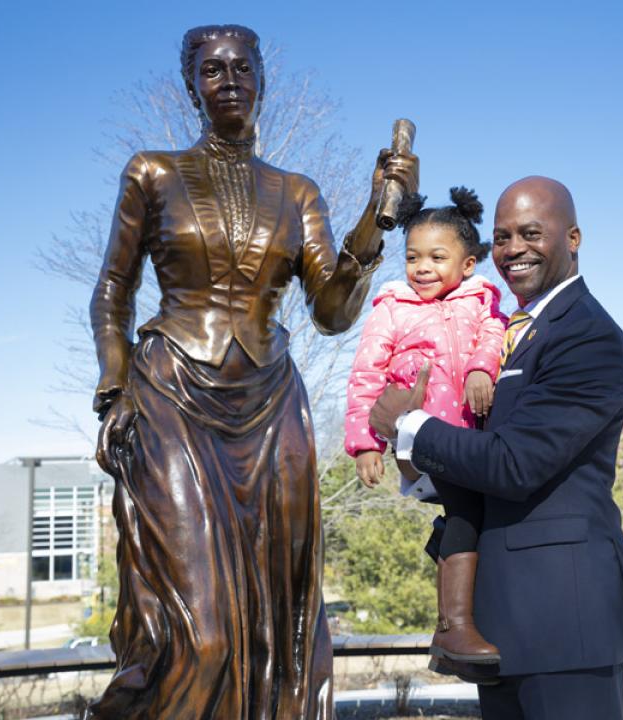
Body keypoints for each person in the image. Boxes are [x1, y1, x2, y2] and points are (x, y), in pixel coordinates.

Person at [88, 24, 417, 720]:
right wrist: (113, 386)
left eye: (242, 67)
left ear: (261, 79)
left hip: (271, 403)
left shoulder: (296, 192)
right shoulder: (152, 172)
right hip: (171, 395)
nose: (229, 79)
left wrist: (375, 221)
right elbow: (113, 289)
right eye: (212, 70)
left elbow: (331, 310)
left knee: (281, 628)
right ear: (193, 87)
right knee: (201, 633)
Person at [370, 176, 623, 720]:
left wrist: (409, 426)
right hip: (499, 627)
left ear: (572, 238)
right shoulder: (509, 332)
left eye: (531, 233)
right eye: (502, 237)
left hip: (564, 624)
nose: (513, 250)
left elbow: (515, 463)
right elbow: (485, 457)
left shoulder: (587, 336)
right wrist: (415, 459)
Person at [344, 187, 506, 669]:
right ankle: (452, 628)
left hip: (471, 436)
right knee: (464, 511)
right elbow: (366, 374)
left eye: (438, 256)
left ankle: (450, 567)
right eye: (413, 257)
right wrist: (365, 445)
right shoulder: (393, 308)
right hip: (422, 436)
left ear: (468, 263)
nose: (423, 267)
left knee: (473, 515)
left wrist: (481, 368)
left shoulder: (481, 302)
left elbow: (495, 334)